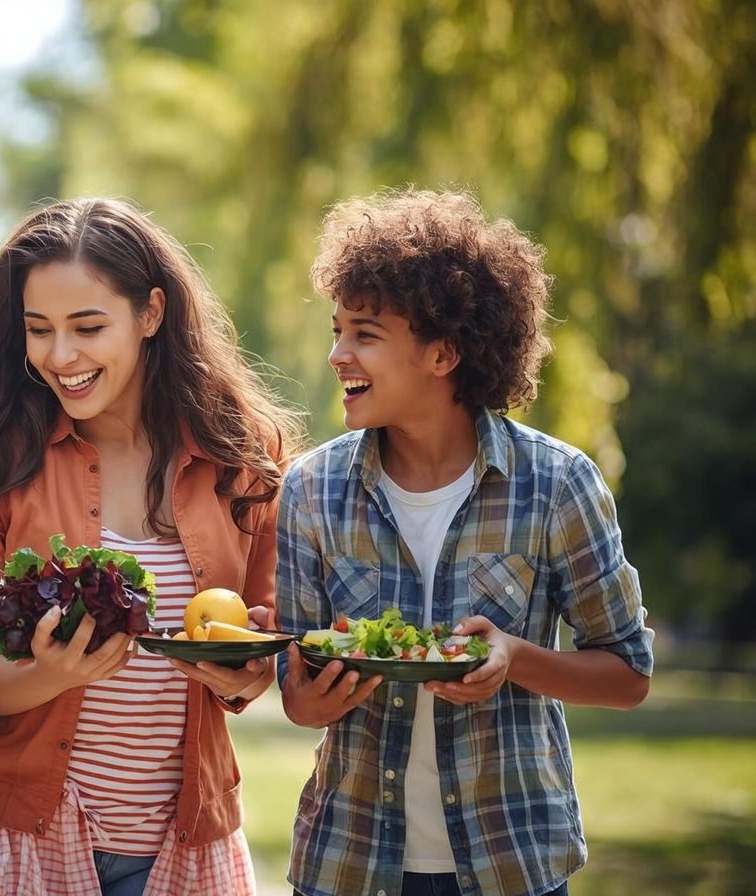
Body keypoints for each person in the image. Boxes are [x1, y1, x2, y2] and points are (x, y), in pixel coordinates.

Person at [0, 197, 303, 896]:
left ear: (151, 313)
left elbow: (259, 649)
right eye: (39, 330)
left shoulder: (244, 456)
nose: (61, 357)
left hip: (185, 842)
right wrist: (55, 673)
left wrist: (241, 675)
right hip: (15, 839)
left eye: (88, 327)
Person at [276, 188, 653, 896]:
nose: (336, 354)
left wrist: (511, 659)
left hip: (510, 862)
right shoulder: (310, 490)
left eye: (364, 334)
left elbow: (629, 675)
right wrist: (327, 687)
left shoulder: (557, 484)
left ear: (443, 353)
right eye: (337, 330)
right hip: (349, 864)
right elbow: (297, 701)